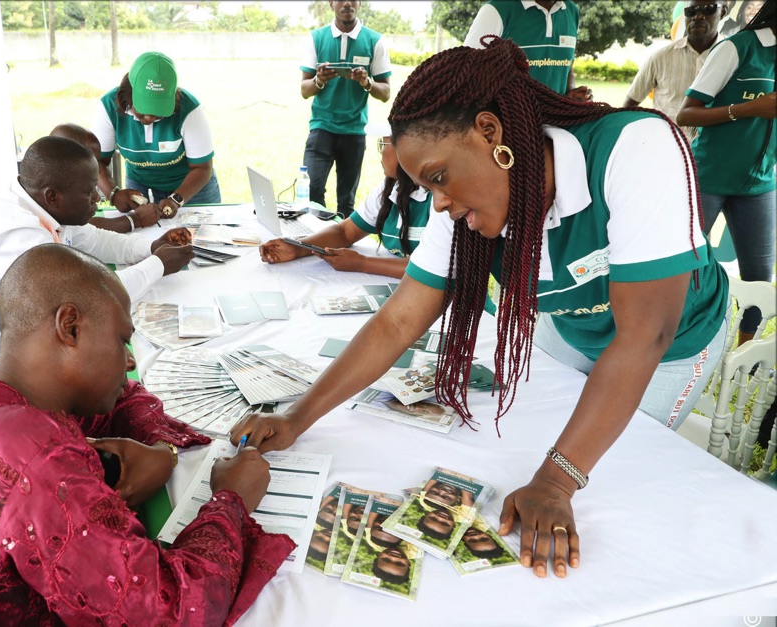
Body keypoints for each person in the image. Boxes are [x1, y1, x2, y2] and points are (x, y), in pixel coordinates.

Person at [233, 38, 729, 580]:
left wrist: (558, 480)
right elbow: (398, 320)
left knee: (613, 479)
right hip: (575, 330)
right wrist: (297, 416)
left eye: (440, 178)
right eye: (427, 187)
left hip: (673, 345)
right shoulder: (465, 208)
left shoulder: (635, 149)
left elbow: (644, 337)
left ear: (490, 134)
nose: (438, 203)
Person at [0, 244, 294, 625]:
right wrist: (231, 500)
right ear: (70, 327)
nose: (129, 362)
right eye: (122, 340)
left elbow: (124, 398)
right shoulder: (32, 456)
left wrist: (161, 451)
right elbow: (171, 613)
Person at [0, 135, 193, 365]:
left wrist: (150, 247)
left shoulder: (39, 202)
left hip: (30, 340)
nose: (99, 197)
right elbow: (87, 297)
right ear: (53, 197)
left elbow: (96, 241)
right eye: (89, 191)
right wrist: (157, 264)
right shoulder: (17, 235)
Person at [677, 0, 776, 345]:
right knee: (682, 267)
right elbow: (686, 114)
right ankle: (673, 342)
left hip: (761, 183)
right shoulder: (738, 47)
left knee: (760, 279)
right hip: (709, 176)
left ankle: (741, 357)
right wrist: (751, 109)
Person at [259, 121, 430, 278]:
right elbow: (346, 231)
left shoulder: (439, 199)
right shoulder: (392, 187)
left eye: (383, 144)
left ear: (408, 149)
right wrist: (297, 248)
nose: (381, 152)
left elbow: (432, 267)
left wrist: (363, 263)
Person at [93, 51, 220, 219]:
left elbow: (202, 167)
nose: (150, 117)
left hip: (192, 189)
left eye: (159, 111)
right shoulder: (109, 107)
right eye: (143, 108)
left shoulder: (190, 110)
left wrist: (176, 199)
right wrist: (113, 194)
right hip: (139, 187)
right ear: (128, 93)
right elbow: (96, 162)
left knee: (202, 238)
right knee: (142, 241)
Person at [300, 0, 391, 216]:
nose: (347, 3)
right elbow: (304, 90)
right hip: (322, 128)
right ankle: (316, 241)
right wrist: (319, 80)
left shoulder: (374, 41)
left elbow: (386, 93)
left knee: (346, 201)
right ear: (331, 3)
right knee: (312, 192)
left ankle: (340, 246)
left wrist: (367, 82)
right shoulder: (316, 38)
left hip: (354, 131)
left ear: (359, 3)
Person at [624, 0, 729, 142]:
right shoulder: (660, 57)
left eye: (707, 9)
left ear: (723, 11)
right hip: (667, 149)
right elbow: (629, 105)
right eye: (691, 11)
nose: (698, 16)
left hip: (715, 150)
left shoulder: (734, 57)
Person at [465, 0, 592, 101]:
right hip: (510, 123)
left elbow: (567, 63)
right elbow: (467, 70)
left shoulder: (571, 11)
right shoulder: (496, 10)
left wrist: (571, 92)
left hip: (557, 122)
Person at [49, 123, 161, 233]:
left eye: (97, 162)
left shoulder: (57, 184)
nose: (97, 198)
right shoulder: (38, 230)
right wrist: (137, 219)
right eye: (91, 163)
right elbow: (83, 229)